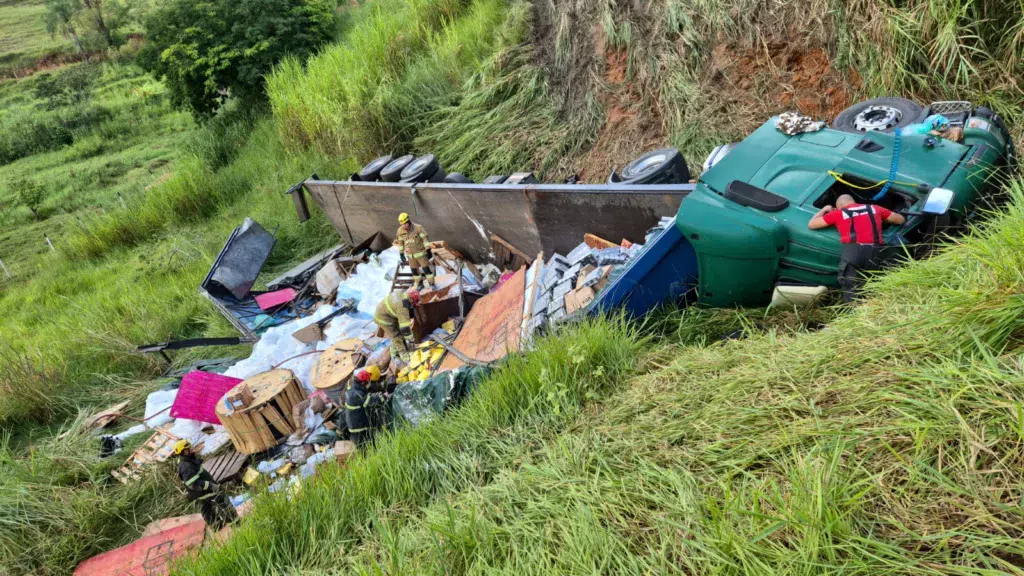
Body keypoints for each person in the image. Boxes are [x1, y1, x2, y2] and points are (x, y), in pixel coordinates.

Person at [808, 194, 905, 302]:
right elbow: (900, 220)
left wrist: (824, 209)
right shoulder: (875, 208)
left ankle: (855, 312)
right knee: (879, 284)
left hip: (853, 252)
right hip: (877, 251)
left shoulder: (839, 213)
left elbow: (812, 224)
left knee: (851, 288)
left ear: (839, 206)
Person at [173, 440, 236, 530]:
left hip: (199, 493)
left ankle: (217, 526)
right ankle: (236, 522)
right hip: (204, 491)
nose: (192, 449)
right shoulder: (186, 466)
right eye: (189, 448)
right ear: (184, 452)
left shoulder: (187, 460)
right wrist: (210, 485)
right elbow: (193, 483)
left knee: (207, 509)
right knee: (222, 503)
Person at [345, 366, 388, 448]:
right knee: (365, 446)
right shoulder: (358, 394)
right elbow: (370, 401)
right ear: (363, 383)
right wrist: (384, 397)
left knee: (365, 445)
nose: (368, 384)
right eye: (367, 383)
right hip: (358, 426)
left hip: (353, 422)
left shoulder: (352, 387)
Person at [373, 288, 421, 362]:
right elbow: (405, 328)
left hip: (384, 312)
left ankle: (395, 349)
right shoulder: (402, 308)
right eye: (414, 303)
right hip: (384, 319)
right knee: (396, 336)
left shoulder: (402, 293)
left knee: (400, 334)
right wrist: (411, 339)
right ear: (410, 300)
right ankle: (404, 356)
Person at [394, 212, 435, 290]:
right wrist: (401, 254)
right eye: (403, 224)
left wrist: (428, 250)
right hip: (411, 257)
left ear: (409, 221)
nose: (405, 225)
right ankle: (420, 285)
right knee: (415, 272)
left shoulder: (418, 228)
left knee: (427, 270)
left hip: (421, 254)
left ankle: (432, 284)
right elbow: (400, 243)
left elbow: (425, 239)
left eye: (406, 223)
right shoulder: (400, 231)